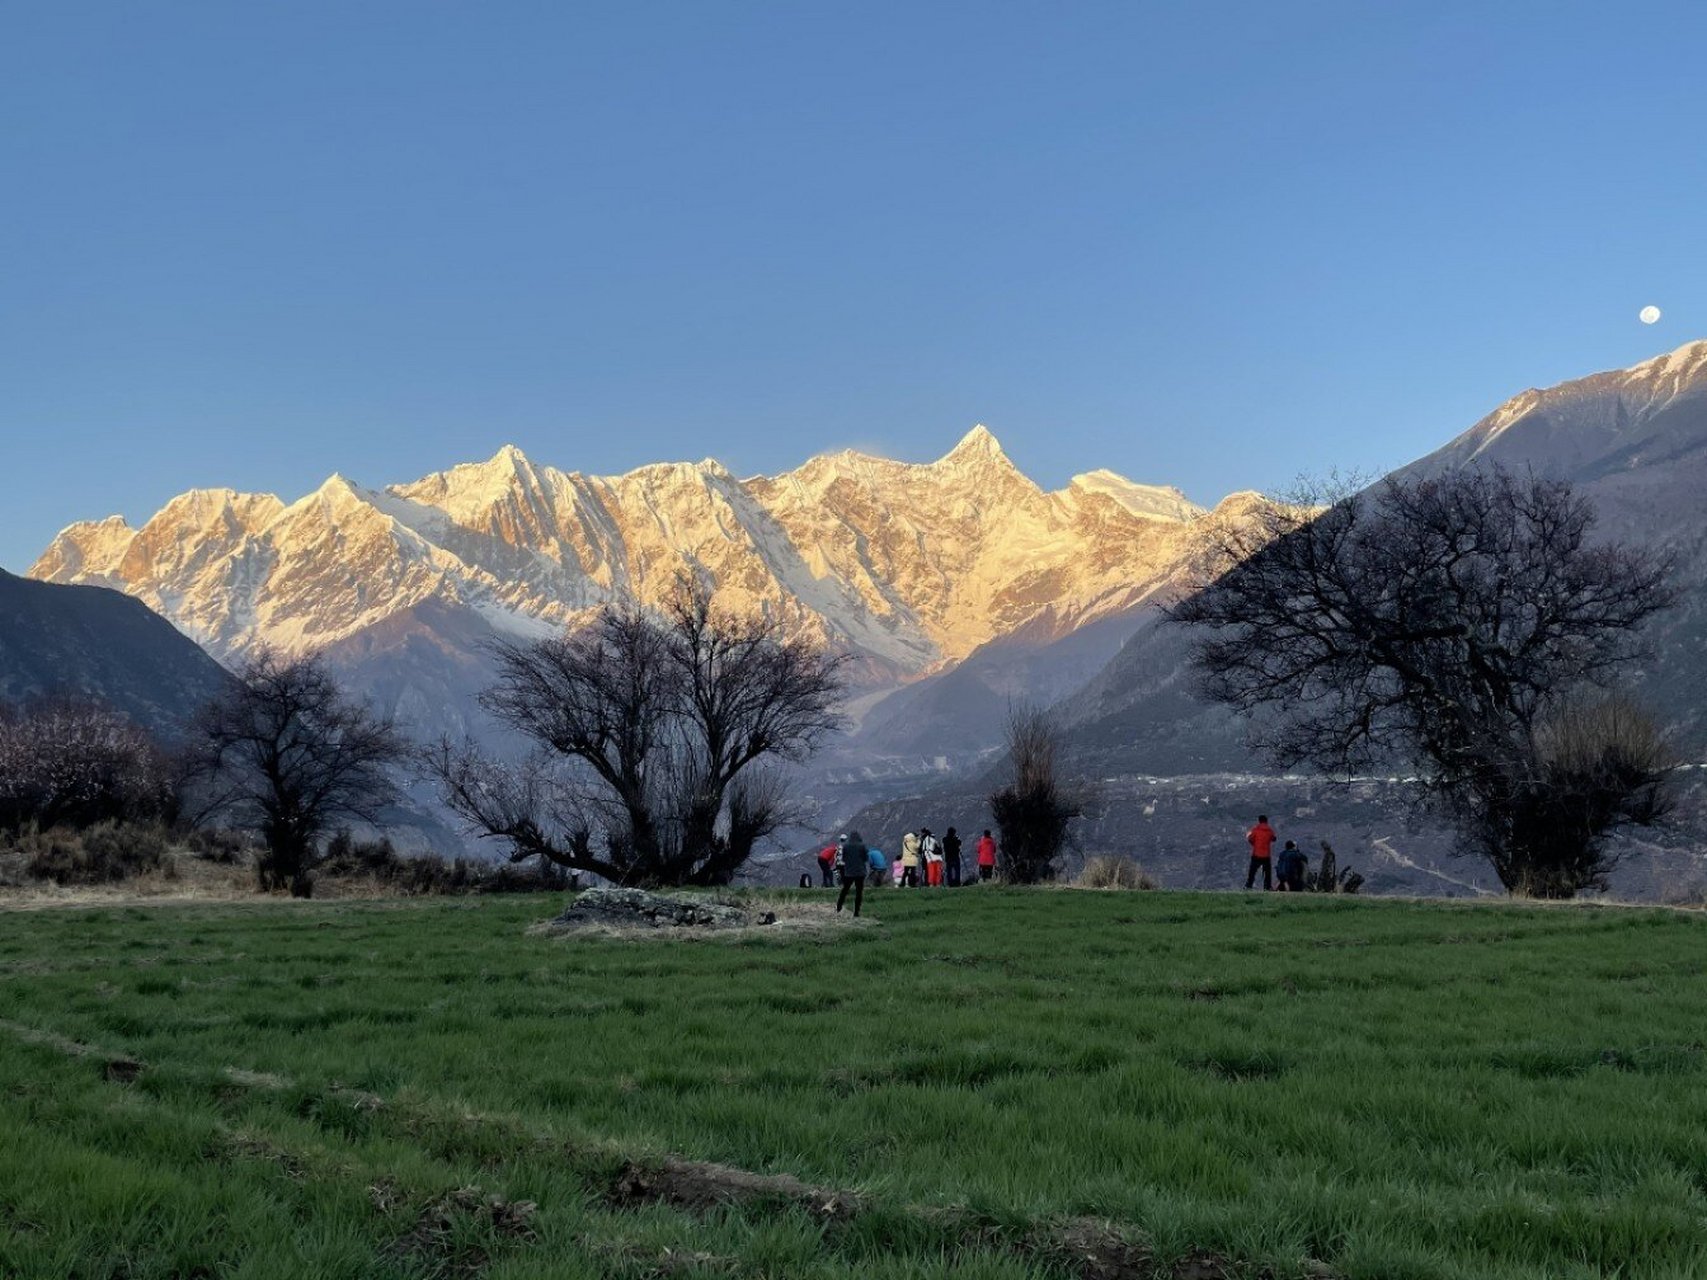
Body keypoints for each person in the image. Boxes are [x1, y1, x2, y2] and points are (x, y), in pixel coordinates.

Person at [837, 830, 870, 916]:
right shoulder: (862, 846)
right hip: (860, 872)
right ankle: (856, 912)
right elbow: (866, 858)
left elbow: (843, 859)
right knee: (859, 892)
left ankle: (839, 906)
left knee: (845, 889)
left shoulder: (846, 846)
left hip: (849, 872)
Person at [1246, 814, 1276, 890]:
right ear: (1266, 821)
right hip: (1266, 855)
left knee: (1252, 871)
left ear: (1259, 821)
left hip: (1256, 853)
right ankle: (1267, 887)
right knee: (1267, 872)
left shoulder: (1255, 829)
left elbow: (1250, 839)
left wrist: (1254, 844)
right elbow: (1274, 838)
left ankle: (1249, 886)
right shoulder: (1269, 830)